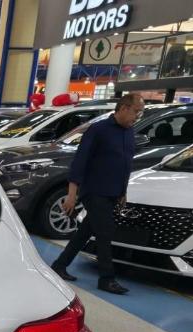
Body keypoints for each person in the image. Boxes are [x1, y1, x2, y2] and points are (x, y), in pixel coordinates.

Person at [49, 92, 144, 295]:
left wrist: (123, 191)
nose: (137, 116)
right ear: (124, 108)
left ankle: (59, 265)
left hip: (113, 192)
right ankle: (106, 278)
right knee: (105, 232)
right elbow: (80, 162)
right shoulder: (98, 130)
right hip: (94, 191)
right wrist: (72, 194)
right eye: (136, 112)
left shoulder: (129, 132)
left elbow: (125, 164)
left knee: (86, 231)